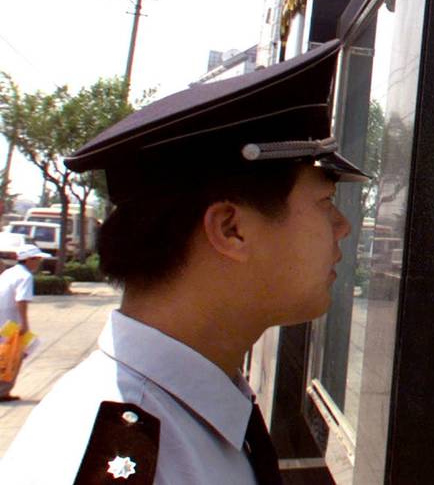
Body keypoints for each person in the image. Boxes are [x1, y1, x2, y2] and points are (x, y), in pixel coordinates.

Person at [0, 40, 366, 484]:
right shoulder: (123, 456)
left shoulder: (180, 413)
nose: (342, 225)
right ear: (232, 229)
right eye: (325, 201)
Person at [0, 244, 50, 402]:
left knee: (12, 351)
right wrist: (24, 323)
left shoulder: (10, 272)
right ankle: (3, 389)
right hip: (9, 321)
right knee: (17, 352)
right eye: (37, 259)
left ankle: (4, 388)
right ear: (29, 260)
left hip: (4, 318)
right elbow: (21, 300)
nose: (39, 263)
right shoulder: (25, 276)